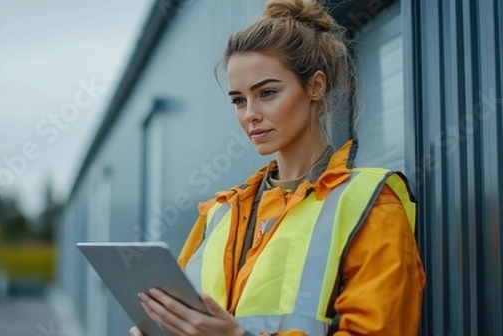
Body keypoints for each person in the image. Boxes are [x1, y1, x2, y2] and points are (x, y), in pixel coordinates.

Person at [131, 0, 426, 335]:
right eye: (239, 100)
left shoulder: (371, 204)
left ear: (315, 86)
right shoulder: (218, 214)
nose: (250, 114)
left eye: (267, 93)